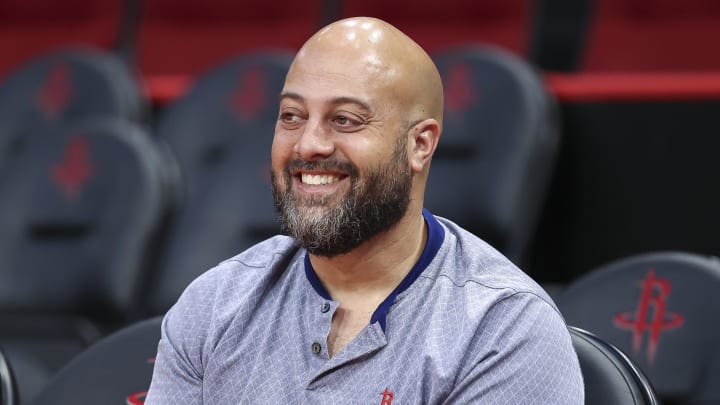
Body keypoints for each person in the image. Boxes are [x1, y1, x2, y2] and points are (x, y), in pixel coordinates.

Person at [146, 17, 584, 404]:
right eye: (292, 116)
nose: (308, 145)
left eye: (346, 120)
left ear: (420, 144)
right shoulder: (215, 303)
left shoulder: (504, 329)